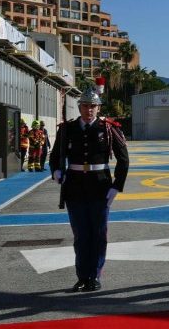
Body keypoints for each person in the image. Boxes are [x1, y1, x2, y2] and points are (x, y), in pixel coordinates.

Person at [49, 85, 129, 292]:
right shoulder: (67, 129)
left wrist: (116, 186)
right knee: (80, 235)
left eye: (93, 106)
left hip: (100, 188)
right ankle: (82, 276)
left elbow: (123, 159)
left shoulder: (108, 128)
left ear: (98, 108)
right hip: (74, 188)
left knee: (98, 234)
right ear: (79, 107)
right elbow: (55, 156)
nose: (89, 109)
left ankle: (94, 275)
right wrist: (56, 171)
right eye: (85, 106)